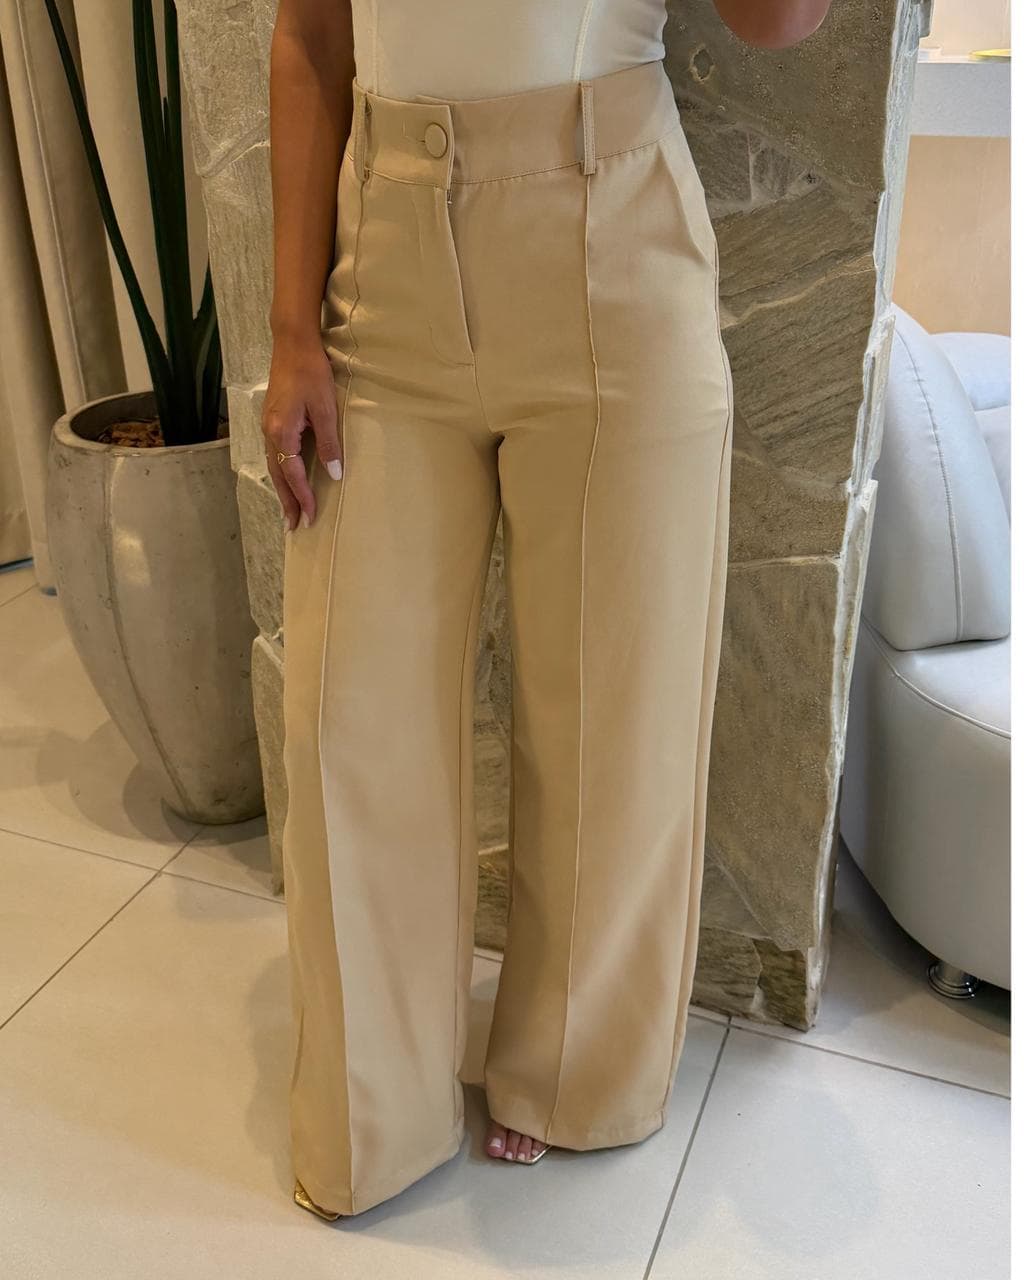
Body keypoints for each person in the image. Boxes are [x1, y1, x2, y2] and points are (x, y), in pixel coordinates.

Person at [263, 0, 830, 1222]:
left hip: (612, 238)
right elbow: (310, 39)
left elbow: (777, 22)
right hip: (382, 266)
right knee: (349, 719)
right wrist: (290, 331)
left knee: (614, 713)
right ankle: (371, 1109)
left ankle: (573, 1064)